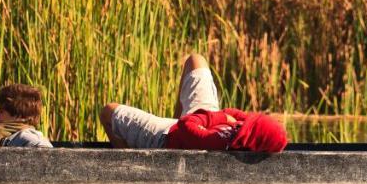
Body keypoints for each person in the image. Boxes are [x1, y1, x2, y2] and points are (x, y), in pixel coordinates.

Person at [99, 53, 287, 152]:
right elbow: (238, 115)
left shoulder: (215, 142)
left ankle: (133, 167)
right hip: (202, 122)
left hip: (170, 136)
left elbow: (185, 125)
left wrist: (222, 117)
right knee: (196, 60)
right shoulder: (240, 135)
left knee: (108, 112)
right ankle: (175, 127)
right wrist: (229, 119)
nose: (244, 122)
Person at [0, 83, 54, 147]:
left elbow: (45, 152)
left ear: (18, 116)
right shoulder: (9, 137)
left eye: (1, 111)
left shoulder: (31, 140)